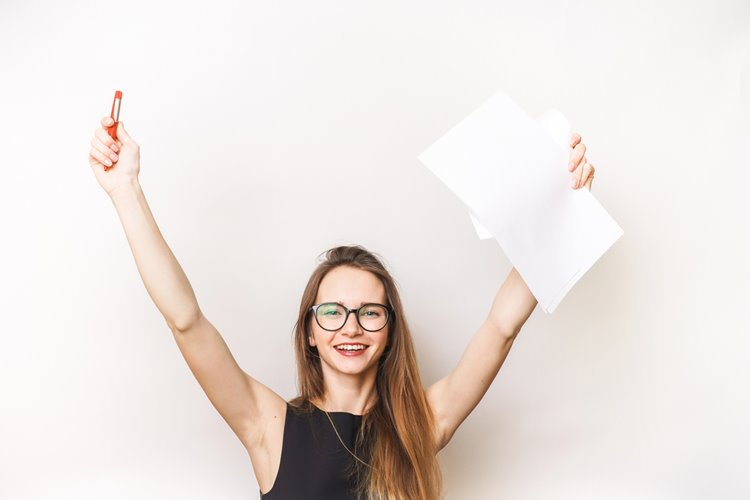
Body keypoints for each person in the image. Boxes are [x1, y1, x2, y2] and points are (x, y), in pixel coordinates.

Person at [87, 114, 596, 500]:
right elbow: (186, 320)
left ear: (390, 329)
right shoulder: (268, 425)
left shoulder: (425, 422)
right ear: (309, 330)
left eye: (369, 312)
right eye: (332, 312)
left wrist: (557, 203)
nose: (350, 326)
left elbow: (502, 325)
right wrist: (125, 190)